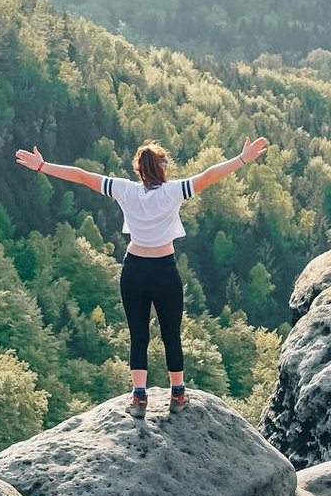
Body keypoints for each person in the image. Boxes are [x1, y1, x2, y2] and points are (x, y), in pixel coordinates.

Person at [15, 135, 269, 415]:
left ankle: (139, 398)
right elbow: (208, 176)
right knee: (171, 335)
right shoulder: (173, 192)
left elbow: (81, 176)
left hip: (134, 269)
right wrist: (242, 158)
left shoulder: (125, 190)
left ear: (138, 169)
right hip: (164, 270)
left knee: (138, 336)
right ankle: (178, 395)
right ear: (162, 168)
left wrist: (43, 166)